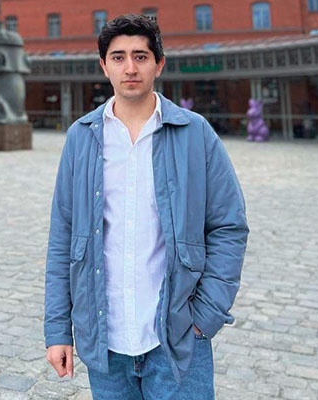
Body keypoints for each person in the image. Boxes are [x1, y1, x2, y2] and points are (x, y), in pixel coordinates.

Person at [44, 14, 249, 399]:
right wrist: (58, 331)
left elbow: (228, 226)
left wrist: (205, 317)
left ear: (159, 64)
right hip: (105, 344)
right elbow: (63, 239)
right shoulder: (81, 138)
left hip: (178, 341)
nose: (130, 67)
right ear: (104, 66)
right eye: (118, 57)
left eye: (140, 56)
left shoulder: (195, 133)